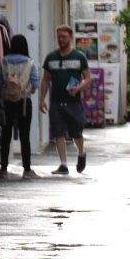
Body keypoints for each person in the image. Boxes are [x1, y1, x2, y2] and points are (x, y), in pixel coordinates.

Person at [39, 24, 91, 175]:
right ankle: (63, 164)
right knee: (58, 132)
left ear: (70, 37)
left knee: (76, 133)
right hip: (56, 101)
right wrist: (42, 99)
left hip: (73, 102)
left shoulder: (79, 57)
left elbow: (88, 78)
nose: (61, 40)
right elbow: (45, 80)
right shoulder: (51, 58)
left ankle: (81, 153)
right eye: (59, 37)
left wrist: (79, 88)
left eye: (64, 37)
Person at [0, 33, 39, 178]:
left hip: (7, 102)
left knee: (5, 135)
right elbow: (35, 84)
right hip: (24, 103)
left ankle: (3, 169)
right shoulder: (30, 63)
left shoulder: (3, 62)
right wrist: (26, 90)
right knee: (24, 135)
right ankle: (27, 170)